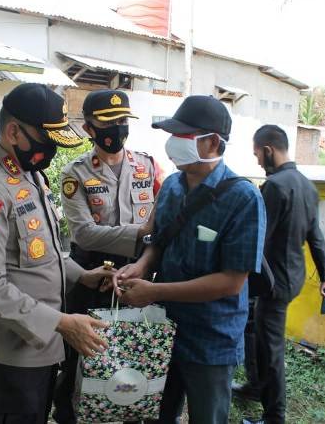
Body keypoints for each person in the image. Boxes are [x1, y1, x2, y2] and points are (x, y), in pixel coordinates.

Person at [0, 83, 117, 424]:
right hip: (11, 354)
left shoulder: (27, 173)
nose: (51, 150)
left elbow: (45, 251)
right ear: (13, 131)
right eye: (46, 140)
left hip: (40, 343)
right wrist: (61, 323)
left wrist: (82, 275)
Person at [114, 95, 266, 424]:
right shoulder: (171, 185)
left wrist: (154, 291)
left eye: (182, 136)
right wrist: (142, 265)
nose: (172, 143)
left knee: (207, 416)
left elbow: (231, 282)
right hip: (163, 329)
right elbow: (159, 240)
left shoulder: (244, 198)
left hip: (211, 338)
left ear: (212, 142)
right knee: (153, 411)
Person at [54, 89, 162, 424]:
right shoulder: (76, 173)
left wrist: (144, 259)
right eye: (107, 124)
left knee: (131, 346)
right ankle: (69, 412)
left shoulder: (147, 165)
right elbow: (83, 233)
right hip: (91, 273)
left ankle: (126, 409)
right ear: (89, 129)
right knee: (81, 351)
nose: (116, 129)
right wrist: (140, 232)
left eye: (122, 122)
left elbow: (162, 217)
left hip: (137, 274)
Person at [234, 125, 325, 424]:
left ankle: (274, 417)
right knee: (254, 329)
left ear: (268, 150)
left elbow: (258, 240)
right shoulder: (307, 185)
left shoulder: (275, 187)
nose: (257, 161)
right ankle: (255, 387)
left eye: (257, 154)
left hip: (273, 283)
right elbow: (315, 236)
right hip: (292, 276)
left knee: (271, 350)